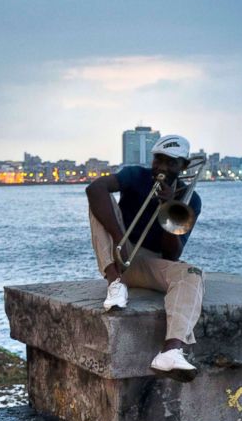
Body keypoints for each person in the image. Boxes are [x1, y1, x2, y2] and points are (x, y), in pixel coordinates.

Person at [85, 134, 204, 377]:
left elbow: (171, 254)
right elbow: (94, 188)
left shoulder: (190, 200)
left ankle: (171, 351)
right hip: (121, 250)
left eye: (171, 162)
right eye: (158, 160)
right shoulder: (136, 176)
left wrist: (167, 208)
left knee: (191, 273)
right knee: (99, 196)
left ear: (183, 166)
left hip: (150, 262)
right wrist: (120, 238)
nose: (162, 167)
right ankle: (114, 284)